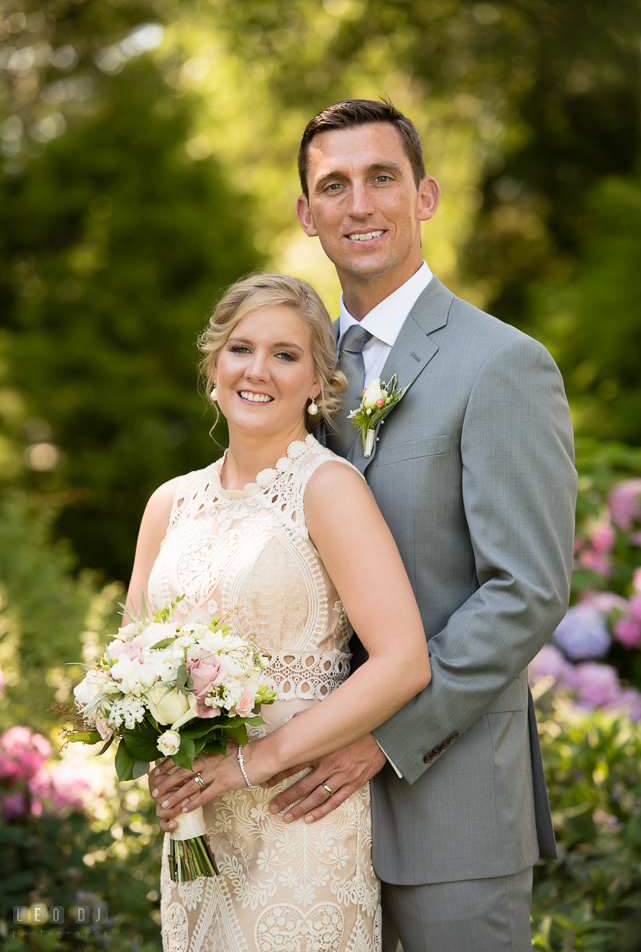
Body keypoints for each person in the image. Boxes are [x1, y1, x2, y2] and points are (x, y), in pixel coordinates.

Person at [263, 99, 578, 951]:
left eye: (380, 179)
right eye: (333, 185)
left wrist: (381, 735)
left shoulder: (502, 364)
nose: (357, 204)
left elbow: (525, 591)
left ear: (424, 196)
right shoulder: (294, 375)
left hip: (452, 807)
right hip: (304, 822)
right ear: (306, 213)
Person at [129, 273, 431, 951]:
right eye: (240, 348)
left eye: (285, 355)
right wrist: (154, 752)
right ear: (213, 364)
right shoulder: (167, 504)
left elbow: (403, 662)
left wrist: (249, 763)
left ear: (317, 382)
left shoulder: (329, 489)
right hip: (197, 822)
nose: (257, 370)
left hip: (300, 812)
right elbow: (128, 663)